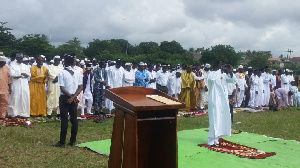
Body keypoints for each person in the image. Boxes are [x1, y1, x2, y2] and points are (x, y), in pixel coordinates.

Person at [53, 53, 83, 147]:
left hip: (65, 98)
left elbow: (62, 87)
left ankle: (62, 142)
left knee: (64, 120)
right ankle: (72, 141)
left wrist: (70, 98)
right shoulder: (78, 72)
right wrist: (74, 97)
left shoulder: (62, 73)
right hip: (74, 97)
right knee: (74, 120)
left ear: (65, 62)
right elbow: (81, 87)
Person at [206, 62, 236, 146]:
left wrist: (230, 72)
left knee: (220, 118)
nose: (222, 67)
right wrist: (218, 69)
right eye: (221, 66)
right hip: (214, 99)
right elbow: (213, 80)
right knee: (214, 119)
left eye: (223, 66)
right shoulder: (212, 74)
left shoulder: (224, 75)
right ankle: (210, 139)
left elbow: (233, 80)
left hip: (223, 100)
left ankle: (216, 138)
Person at [7, 53, 31, 118]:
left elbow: (29, 74)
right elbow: (12, 74)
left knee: (24, 98)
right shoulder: (12, 65)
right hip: (16, 83)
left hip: (24, 84)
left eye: (21, 58)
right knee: (15, 98)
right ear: (16, 58)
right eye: (19, 58)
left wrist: (21, 75)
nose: (20, 59)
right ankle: (13, 114)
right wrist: (21, 74)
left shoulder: (25, 66)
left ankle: (24, 114)